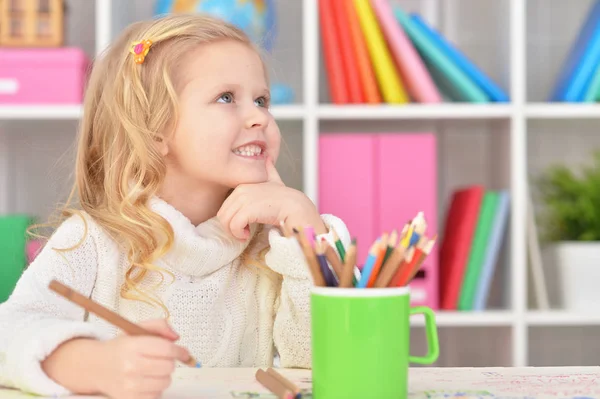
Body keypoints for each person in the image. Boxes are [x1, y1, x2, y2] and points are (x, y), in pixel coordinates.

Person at [0, 13, 350, 399]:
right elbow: (9, 335)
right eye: (226, 98)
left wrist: (304, 231)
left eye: (262, 100)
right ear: (155, 132)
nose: (259, 117)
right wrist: (94, 365)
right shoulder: (94, 241)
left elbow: (329, 360)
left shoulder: (275, 243)